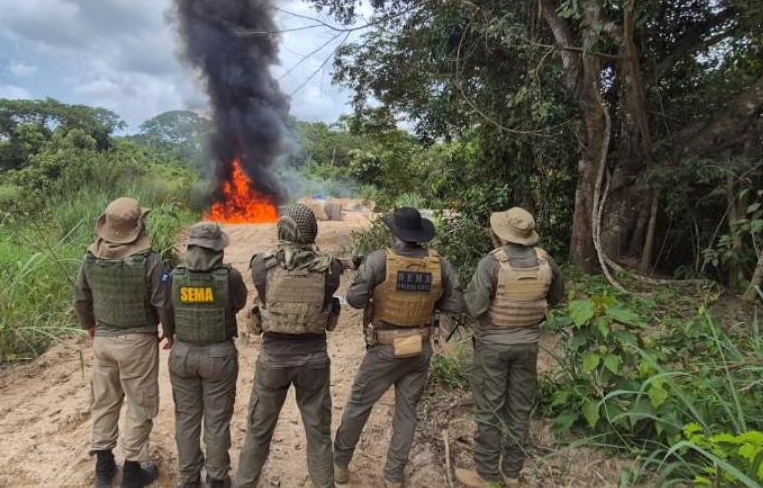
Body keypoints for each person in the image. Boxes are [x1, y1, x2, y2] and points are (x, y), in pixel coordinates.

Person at [333, 207, 466, 487]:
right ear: (419, 234)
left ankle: (340, 464)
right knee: (407, 413)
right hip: (419, 347)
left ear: (395, 233)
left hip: (385, 348)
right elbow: (455, 305)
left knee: (359, 404)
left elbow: (355, 300)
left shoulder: (379, 260)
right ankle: (393, 476)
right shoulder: (439, 264)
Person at [454, 208, 566, 488]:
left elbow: (477, 307)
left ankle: (487, 475)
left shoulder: (491, 263)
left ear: (501, 233)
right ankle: (513, 473)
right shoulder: (546, 261)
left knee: (489, 411)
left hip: (492, 346)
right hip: (528, 345)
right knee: (519, 409)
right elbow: (556, 297)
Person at [234, 204, 344, 488]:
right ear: (312, 230)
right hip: (314, 359)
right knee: (318, 435)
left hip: (273, 359)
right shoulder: (329, 268)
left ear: (282, 227)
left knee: (258, 432)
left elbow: (262, 301)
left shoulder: (261, 264)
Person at [73, 198, 171, 488]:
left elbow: (80, 298)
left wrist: (90, 327)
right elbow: (162, 302)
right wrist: (169, 332)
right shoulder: (149, 260)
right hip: (138, 342)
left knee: (104, 402)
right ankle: (132, 470)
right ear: (137, 227)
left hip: (104, 339)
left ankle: (103, 467)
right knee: (140, 405)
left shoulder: (90, 258)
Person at [165, 222, 248, 488]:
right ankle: (217, 477)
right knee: (217, 419)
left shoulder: (175, 275)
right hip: (219, 356)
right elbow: (239, 303)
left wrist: (170, 336)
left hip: (182, 354)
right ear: (217, 249)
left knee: (187, 419)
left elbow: (166, 311)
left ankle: (189, 478)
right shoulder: (230, 276)